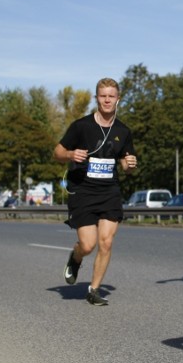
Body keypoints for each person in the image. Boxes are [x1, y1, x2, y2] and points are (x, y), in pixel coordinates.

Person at [53, 77, 137, 306]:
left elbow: (125, 166)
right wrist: (71, 155)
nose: (107, 100)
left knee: (106, 242)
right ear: (96, 98)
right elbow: (57, 152)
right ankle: (76, 256)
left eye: (111, 96)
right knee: (88, 245)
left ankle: (94, 289)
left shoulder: (123, 131)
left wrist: (129, 165)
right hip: (83, 190)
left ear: (118, 99)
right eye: (103, 96)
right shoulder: (81, 126)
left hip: (109, 191)